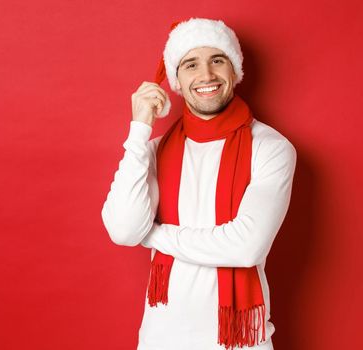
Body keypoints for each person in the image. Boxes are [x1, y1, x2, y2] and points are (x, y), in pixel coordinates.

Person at [101, 18, 297, 350]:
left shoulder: (271, 147)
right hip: (161, 338)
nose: (206, 75)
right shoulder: (153, 149)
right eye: (191, 64)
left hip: (240, 340)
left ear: (234, 71)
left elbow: (245, 247)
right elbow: (122, 229)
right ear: (176, 79)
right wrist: (139, 129)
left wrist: (154, 235)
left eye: (217, 60)